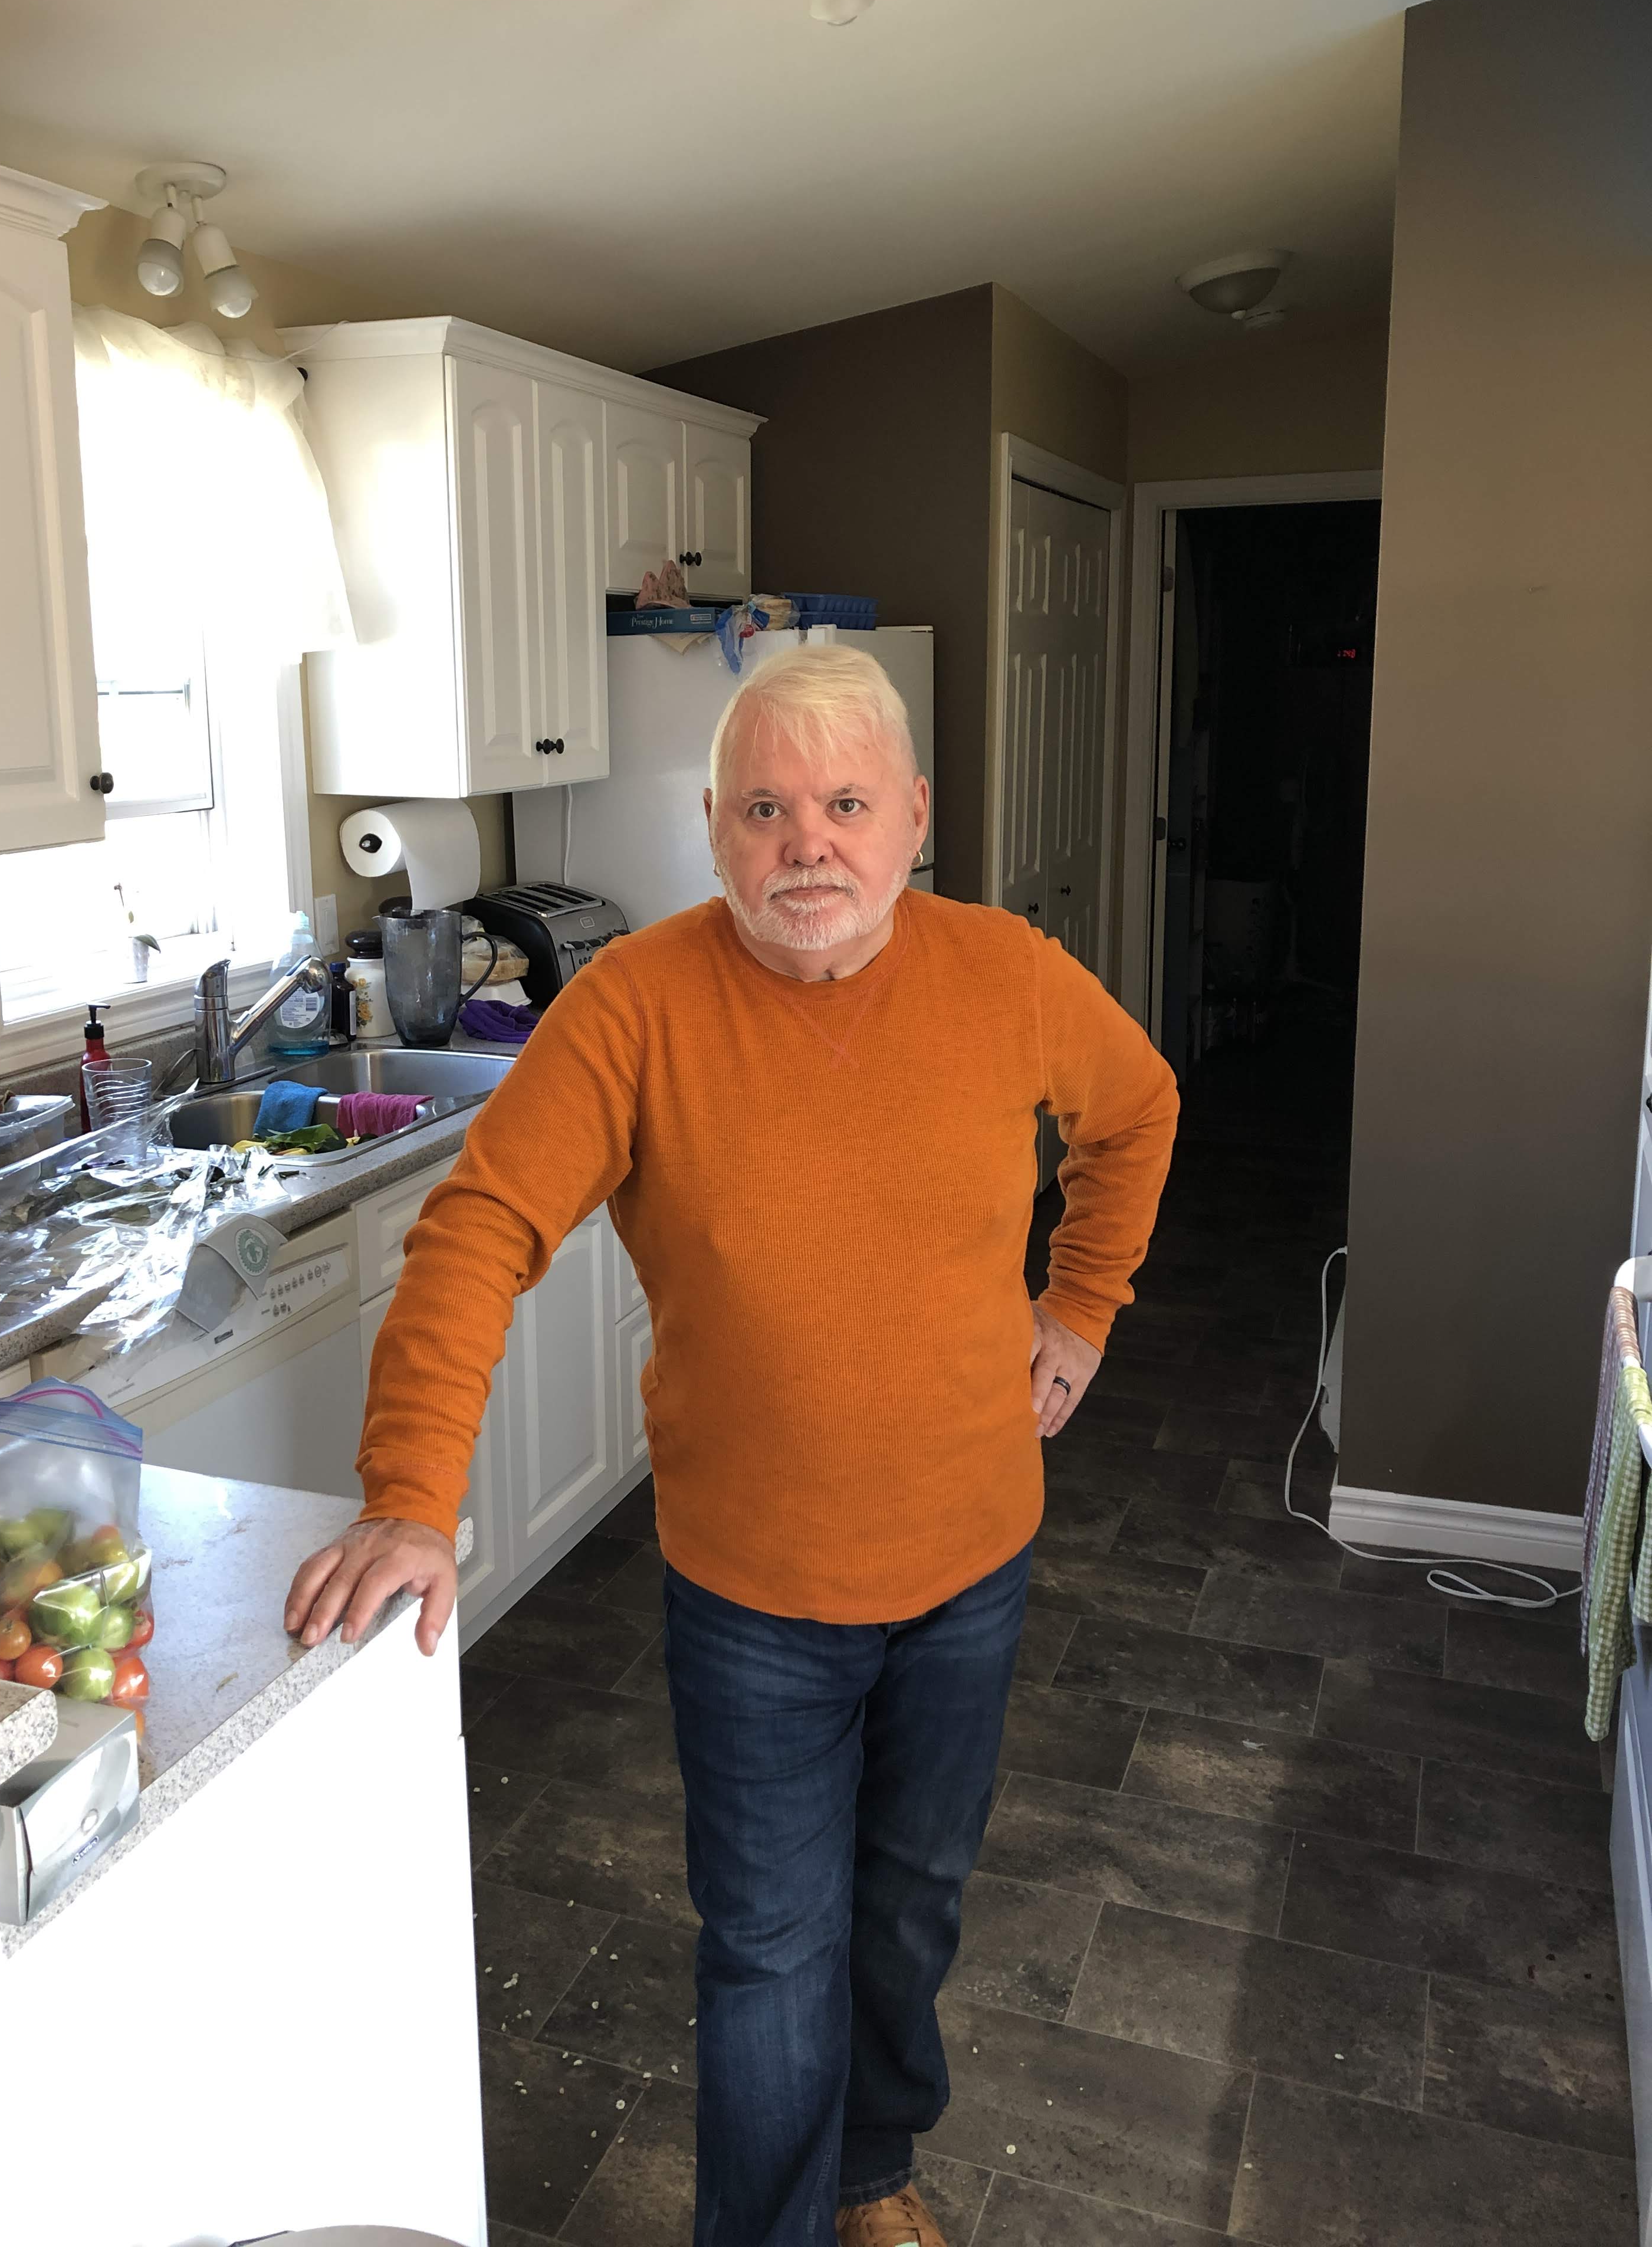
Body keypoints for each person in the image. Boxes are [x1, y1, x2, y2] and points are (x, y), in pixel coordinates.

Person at [286, 645, 1178, 2247]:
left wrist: (1082, 1309)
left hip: (972, 1561)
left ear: (915, 817)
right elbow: (479, 1229)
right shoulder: (635, 1007)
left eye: (845, 805)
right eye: (765, 809)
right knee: (772, 1950)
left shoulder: (1008, 974)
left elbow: (1137, 1109)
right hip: (753, 1594)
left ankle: (872, 2174)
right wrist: (411, 1496)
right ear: (712, 828)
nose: (807, 844)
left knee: (911, 1908)